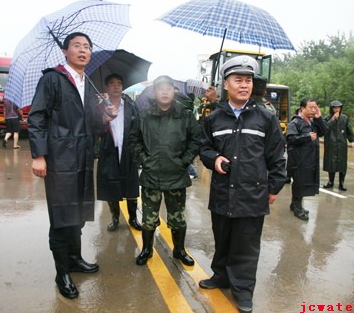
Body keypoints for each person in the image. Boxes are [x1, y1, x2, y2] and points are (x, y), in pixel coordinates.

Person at [28, 32, 116, 299]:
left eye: (87, 47)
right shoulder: (52, 79)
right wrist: (39, 155)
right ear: (65, 52)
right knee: (61, 215)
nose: (83, 50)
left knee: (78, 211)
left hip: (84, 157)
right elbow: (37, 116)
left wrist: (106, 115)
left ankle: (75, 259)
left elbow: (91, 122)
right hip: (60, 159)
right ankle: (62, 272)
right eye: (77, 46)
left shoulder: (87, 83)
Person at [198, 55, 286, 313]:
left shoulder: (265, 118)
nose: (244, 85)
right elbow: (204, 148)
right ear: (226, 84)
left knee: (246, 245)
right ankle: (221, 276)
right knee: (222, 238)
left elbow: (276, 154)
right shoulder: (213, 118)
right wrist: (214, 159)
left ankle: (243, 290)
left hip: (252, 193)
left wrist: (274, 187)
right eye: (238, 80)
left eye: (248, 80)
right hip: (223, 192)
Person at [129, 75, 200, 267]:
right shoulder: (144, 116)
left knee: (178, 217)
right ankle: (146, 249)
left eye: (169, 88)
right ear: (154, 92)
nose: (165, 91)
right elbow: (133, 141)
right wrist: (144, 160)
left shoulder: (185, 115)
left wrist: (184, 161)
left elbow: (196, 140)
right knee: (148, 219)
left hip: (176, 175)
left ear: (173, 91)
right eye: (160, 88)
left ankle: (179, 250)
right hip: (152, 175)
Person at [97, 74, 142, 232]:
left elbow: (138, 127)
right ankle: (115, 218)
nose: (116, 86)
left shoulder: (130, 106)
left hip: (128, 152)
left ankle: (133, 219)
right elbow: (94, 129)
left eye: (119, 83)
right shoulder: (100, 108)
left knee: (131, 186)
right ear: (106, 88)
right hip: (109, 152)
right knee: (111, 187)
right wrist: (103, 120)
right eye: (111, 83)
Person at [286, 98, 327, 221]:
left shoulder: (313, 122)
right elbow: (290, 139)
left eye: (315, 108)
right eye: (311, 108)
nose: (313, 110)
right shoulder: (295, 123)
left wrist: (319, 118)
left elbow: (325, 131)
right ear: (302, 108)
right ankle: (298, 207)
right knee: (299, 183)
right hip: (298, 159)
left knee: (303, 183)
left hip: (309, 159)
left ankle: (294, 204)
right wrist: (306, 137)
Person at [322, 100, 354, 191]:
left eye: (339, 108)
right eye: (335, 108)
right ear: (331, 109)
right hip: (331, 144)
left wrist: (352, 140)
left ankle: (341, 183)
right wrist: (333, 119)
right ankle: (330, 181)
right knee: (331, 163)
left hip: (341, 144)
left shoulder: (344, 118)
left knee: (342, 163)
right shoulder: (327, 118)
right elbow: (324, 129)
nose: (337, 110)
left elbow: (349, 130)